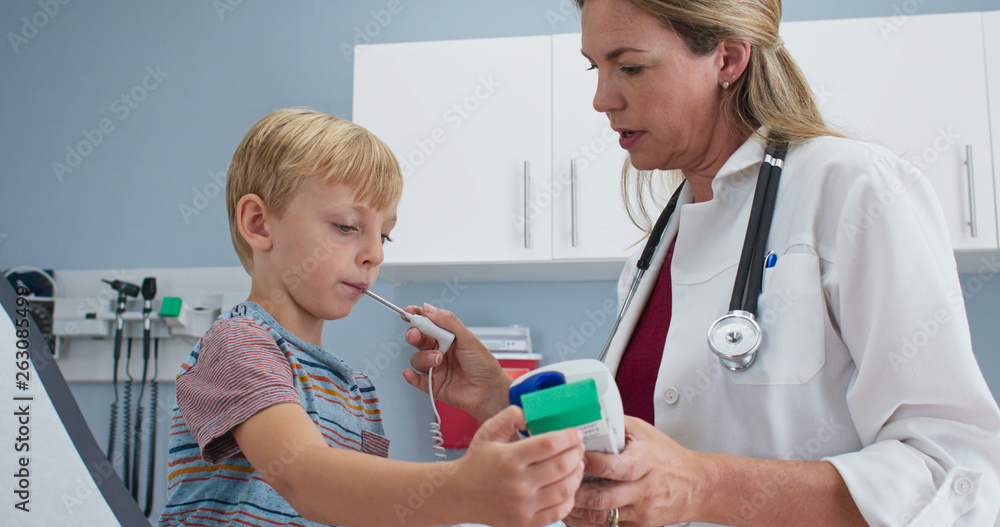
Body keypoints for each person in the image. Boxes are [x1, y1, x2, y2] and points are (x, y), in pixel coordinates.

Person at [401, 0, 1000, 525]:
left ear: (728, 59)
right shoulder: (651, 254)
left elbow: (953, 468)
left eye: (629, 66)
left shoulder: (852, 189)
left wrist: (704, 487)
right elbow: (633, 446)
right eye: (596, 68)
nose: (601, 99)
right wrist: (503, 401)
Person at [157, 108, 585, 527]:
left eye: (384, 234)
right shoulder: (238, 344)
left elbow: (356, 508)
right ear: (259, 224)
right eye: (346, 226)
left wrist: (503, 407)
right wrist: (463, 488)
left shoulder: (354, 386)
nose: (376, 253)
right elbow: (307, 478)